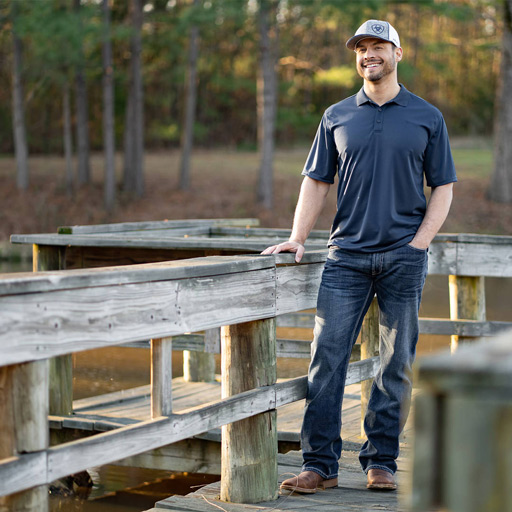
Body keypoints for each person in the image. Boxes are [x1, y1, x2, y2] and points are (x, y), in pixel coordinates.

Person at [262, 19, 457, 492]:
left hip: (403, 258)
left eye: (378, 46)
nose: (369, 54)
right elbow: (316, 181)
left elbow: (444, 185)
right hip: (345, 257)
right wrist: (297, 236)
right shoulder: (335, 116)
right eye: (361, 48)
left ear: (397, 53)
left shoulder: (427, 116)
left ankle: (381, 462)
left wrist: (421, 241)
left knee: (396, 363)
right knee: (327, 359)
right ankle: (320, 465)